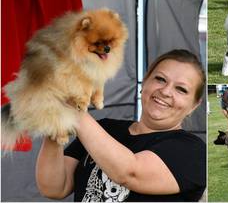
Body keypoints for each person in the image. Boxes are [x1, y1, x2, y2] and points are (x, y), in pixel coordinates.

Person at [36, 49, 206, 202]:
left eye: (181, 89)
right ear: (145, 82)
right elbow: (55, 188)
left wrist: (73, 104)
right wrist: (56, 120)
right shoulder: (104, 129)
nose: (166, 91)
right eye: (160, 79)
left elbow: (129, 173)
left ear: (194, 105)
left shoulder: (193, 151)